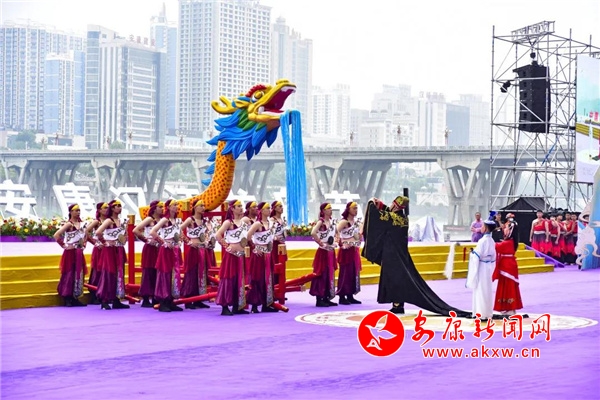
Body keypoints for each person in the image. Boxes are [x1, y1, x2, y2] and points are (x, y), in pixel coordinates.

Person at [362, 196, 469, 317]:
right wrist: (381, 204)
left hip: (392, 256)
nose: (391, 205)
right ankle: (398, 305)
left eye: (393, 204)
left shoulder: (392, 218)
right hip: (401, 255)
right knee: (397, 279)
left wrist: (371, 203)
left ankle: (397, 305)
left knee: (394, 280)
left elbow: (377, 215)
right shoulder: (403, 218)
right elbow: (388, 213)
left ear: (396, 206)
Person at [216, 199, 249, 316]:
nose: (241, 208)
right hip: (231, 256)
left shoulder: (245, 222)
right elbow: (218, 235)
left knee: (239, 280)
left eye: (241, 206)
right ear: (232, 209)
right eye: (238, 206)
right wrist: (227, 246)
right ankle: (225, 306)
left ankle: (237, 306)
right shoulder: (228, 222)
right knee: (228, 279)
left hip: (241, 255)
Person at [150, 199, 184, 312]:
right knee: (165, 274)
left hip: (175, 250)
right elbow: (152, 232)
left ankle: (171, 300)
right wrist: (164, 242)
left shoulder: (177, 220)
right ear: (168, 207)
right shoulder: (165, 219)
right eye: (174, 205)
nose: (176, 206)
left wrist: (180, 241)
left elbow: (180, 233)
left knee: (174, 274)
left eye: (177, 204)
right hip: (166, 251)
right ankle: (163, 301)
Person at [95, 200, 130, 310]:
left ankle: (116, 299)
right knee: (108, 273)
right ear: (112, 208)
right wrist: (105, 242)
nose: (119, 207)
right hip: (109, 251)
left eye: (120, 206)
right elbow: (98, 232)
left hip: (119, 249)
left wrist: (125, 238)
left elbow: (124, 235)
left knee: (119, 273)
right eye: (116, 206)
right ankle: (104, 300)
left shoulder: (121, 221)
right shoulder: (108, 221)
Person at [246, 201, 278, 313]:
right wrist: (254, 248)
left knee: (268, 279)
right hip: (259, 255)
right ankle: (255, 305)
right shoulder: (257, 224)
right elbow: (247, 236)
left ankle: (267, 304)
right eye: (267, 208)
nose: (269, 210)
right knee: (257, 278)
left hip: (268, 254)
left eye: (269, 208)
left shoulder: (270, 223)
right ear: (261, 210)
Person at [466, 212, 498, 320]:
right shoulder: (492, 241)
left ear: (486, 228)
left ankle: (480, 313)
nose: (482, 228)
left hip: (481, 267)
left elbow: (477, 255)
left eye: (483, 226)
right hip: (488, 267)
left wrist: (472, 254)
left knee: (480, 290)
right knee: (487, 290)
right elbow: (493, 257)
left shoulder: (482, 241)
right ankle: (487, 312)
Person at [54, 204, 87, 307]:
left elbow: (86, 235)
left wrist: (84, 243)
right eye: (76, 210)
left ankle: (75, 296)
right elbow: (56, 235)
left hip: (79, 251)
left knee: (78, 273)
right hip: (70, 252)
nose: (78, 212)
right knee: (69, 273)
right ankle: (67, 297)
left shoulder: (82, 224)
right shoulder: (69, 224)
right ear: (70, 212)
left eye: (79, 210)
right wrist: (64, 245)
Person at [180, 199, 211, 309]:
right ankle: (188, 300)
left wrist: (206, 240)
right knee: (192, 273)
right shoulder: (190, 220)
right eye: (201, 205)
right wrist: (188, 242)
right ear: (195, 207)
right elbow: (178, 230)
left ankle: (199, 299)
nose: (203, 208)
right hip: (193, 250)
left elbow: (207, 233)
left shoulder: (204, 221)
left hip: (203, 250)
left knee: (202, 273)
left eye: (204, 205)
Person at [132, 200, 164, 308]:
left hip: (160, 248)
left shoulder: (163, 220)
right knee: (148, 271)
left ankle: (156, 296)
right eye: (160, 207)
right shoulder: (150, 219)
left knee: (158, 272)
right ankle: (145, 298)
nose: (162, 209)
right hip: (150, 248)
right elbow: (135, 230)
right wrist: (146, 240)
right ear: (154, 208)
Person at [492, 213, 524, 316]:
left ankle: (509, 307)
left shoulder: (508, 243)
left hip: (507, 265)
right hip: (508, 264)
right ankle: (507, 307)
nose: (504, 229)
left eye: (506, 228)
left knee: (508, 286)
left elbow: (495, 246)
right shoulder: (511, 242)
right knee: (507, 286)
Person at [309, 202, 338, 307]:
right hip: (323, 251)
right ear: (324, 211)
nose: (331, 210)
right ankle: (319, 298)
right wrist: (321, 243)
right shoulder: (321, 222)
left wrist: (336, 240)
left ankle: (327, 296)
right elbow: (313, 232)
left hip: (331, 251)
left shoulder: (332, 222)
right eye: (329, 208)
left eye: (331, 208)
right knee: (321, 273)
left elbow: (337, 232)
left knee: (329, 273)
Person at [336, 202, 362, 305]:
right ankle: (342, 296)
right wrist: (341, 243)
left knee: (353, 272)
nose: (356, 210)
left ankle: (350, 295)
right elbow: (335, 232)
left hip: (353, 250)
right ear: (348, 209)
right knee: (345, 273)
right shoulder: (344, 222)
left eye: (357, 208)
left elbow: (356, 236)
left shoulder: (356, 222)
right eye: (354, 208)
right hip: (345, 251)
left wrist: (358, 238)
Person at [85, 202, 109, 304]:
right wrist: (95, 242)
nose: (107, 209)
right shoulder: (97, 221)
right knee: (97, 271)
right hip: (99, 249)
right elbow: (86, 232)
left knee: (106, 270)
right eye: (104, 208)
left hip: (107, 249)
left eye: (108, 208)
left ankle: (105, 294)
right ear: (99, 210)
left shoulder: (110, 221)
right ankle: (94, 294)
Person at [270, 201, 286, 285]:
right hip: (275, 245)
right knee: (276, 263)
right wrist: (275, 237)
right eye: (279, 206)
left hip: (282, 244)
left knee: (282, 263)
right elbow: (270, 232)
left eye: (282, 206)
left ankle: (281, 282)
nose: (281, 208)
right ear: (275, 208)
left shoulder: (282, 219)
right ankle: (275, 284)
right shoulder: (272, 220)